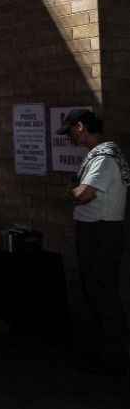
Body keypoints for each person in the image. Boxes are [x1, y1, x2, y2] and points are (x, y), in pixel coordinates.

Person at [59, 109, 129, 375]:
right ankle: (106, 350)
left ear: (80, 126)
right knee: (98, 291)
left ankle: (113, 355)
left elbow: (84, 194)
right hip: (100, 229)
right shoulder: (103, 155)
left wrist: (71, 192)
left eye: (70, 132)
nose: (69, 138)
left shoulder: (104, 158)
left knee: (103, 292)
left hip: (100, 230)